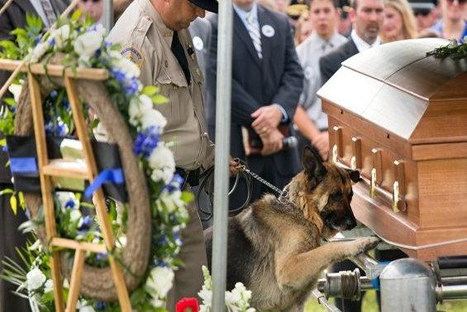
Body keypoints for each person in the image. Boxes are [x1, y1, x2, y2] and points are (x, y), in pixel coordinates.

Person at [107, 0, 238, 309]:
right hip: (148, 200)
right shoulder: (135, 40)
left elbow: (179, 121)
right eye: (196, 4)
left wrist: (212, 156)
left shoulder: (174, 28)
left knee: (193, 298)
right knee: (159, 302)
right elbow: (114, 130)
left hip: (179, 194)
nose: (202, 14)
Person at [0, 1, 69, 312]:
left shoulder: (63, 4)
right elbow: (8, 81)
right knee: (18, 275)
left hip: (59, 157)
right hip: (16, 160)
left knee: (54, 277)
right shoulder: (6, 8)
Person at [206, 0, 303, 210]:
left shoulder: (279, 22)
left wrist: (277, 111)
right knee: (238, 228)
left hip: (280, 148)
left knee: (287, 221)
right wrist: (263, 123)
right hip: (237, 146)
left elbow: (294, 73)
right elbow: (217, 77)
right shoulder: (213, 25)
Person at [295, 0, 346, 161]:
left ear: (336, 14)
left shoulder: (349, 50)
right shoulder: (299, 54)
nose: (322, 17)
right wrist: (319, 138)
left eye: (326, 11)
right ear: (309, 16)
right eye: (317, 12)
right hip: (310, 137)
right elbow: (295, 104)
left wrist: (334, 136)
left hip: (345, 136)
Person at [319, 0, 384, 84]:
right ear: (353, 15)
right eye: (367, 11)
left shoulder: (394, 58)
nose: (373, 18)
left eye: (379, 11)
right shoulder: (331, 62)